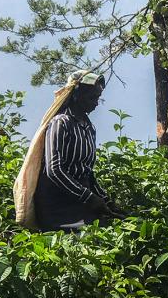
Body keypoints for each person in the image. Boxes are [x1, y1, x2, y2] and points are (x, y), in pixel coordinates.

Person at [34, 70, 118, 232]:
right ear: (76, 95)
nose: (96, 103)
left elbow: (88, 173)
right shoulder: (61, 123)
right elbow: (54, 170)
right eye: (92, 97)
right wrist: (89, 197)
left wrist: (106, 200)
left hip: (81, 198)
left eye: (98, 98)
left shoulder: (89, 128)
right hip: (57, 202)